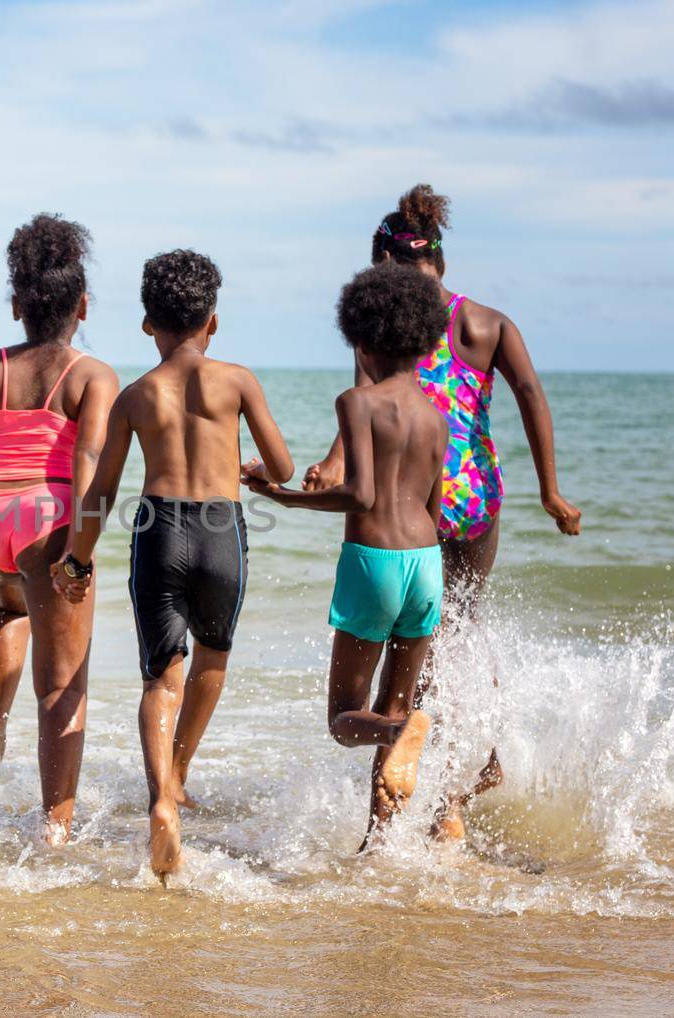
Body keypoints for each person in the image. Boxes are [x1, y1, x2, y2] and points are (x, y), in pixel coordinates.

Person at [302, 185, 582, 840]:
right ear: (442, 263)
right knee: (457, 635)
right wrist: (550, 489)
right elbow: (532, 395)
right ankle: (470, 774)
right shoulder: (486, 322)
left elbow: (364, 401)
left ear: (381, 269)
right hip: (474, 497)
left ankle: (430, 804)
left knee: (417, 655)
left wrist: (332, 467)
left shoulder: (383, 324)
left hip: (407, 497)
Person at [52, 249, 294, 881]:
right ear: (212, 322)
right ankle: (181, 770)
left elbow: (101, 491)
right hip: (221, 530)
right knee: (212, 659)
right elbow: (284, 466)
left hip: (159, 528)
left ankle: (161, 796)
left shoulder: (135, 395)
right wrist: (252, 471)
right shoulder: (238, 381)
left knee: (162, 678)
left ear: (146, 324)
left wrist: (76, 563)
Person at [0, 213, 118, 846]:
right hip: (47, 519)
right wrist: (78, 554)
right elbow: (89, 464)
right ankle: (55, 826)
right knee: (61, 682)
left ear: (16, 306)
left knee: (11, 609)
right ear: (82, 305)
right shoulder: (93, 375)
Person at [246, 262, 448, 849]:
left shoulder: (357, 402)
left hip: (375, 560)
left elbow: (361, 494)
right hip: (425, 563)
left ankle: (401, 729)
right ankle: (377, 843)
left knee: (345, 719)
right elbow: (433, 504)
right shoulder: (436, 416)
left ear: (360, 337)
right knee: (396, 707)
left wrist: (280, 496)